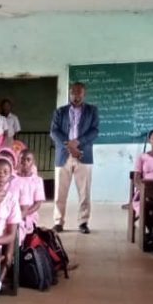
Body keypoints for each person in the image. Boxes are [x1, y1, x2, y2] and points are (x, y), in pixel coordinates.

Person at [50, 81, 99, 233]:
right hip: (63, 156)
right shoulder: (60, 112)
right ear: (69, 94)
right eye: (73, 93)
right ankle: (58, 222)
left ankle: (83, 222)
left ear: (84, 94)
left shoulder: (92, 111)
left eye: (79, 93)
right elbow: (54, 132)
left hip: (84, 155)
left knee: (84, 192)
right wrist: (69, 146)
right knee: (60, 191)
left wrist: (78, 142)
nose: (76, 96)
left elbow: (94, 131)